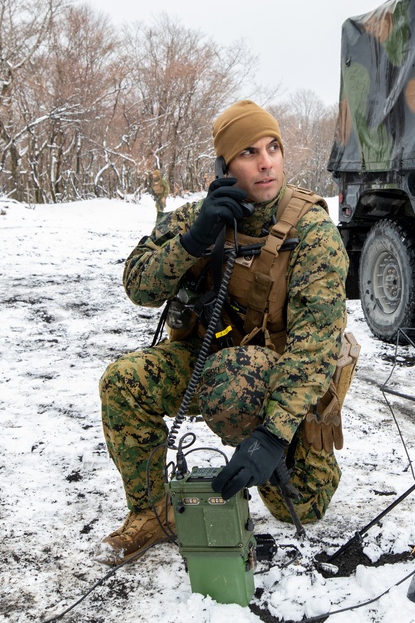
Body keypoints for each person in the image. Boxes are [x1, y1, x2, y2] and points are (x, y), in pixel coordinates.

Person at [97, 100, 350, 566]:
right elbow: (138, 285)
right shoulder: (200, 216)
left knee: (307, 510)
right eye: (249, 152)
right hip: (206, 363)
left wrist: (273, 437)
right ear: (224, 166)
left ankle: (282, 466)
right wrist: (194, 239)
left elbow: (316, 347)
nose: (266, 161)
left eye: (273, 147)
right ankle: (153, 512)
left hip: (277, 381)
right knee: (122, 382)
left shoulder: (313, 232)